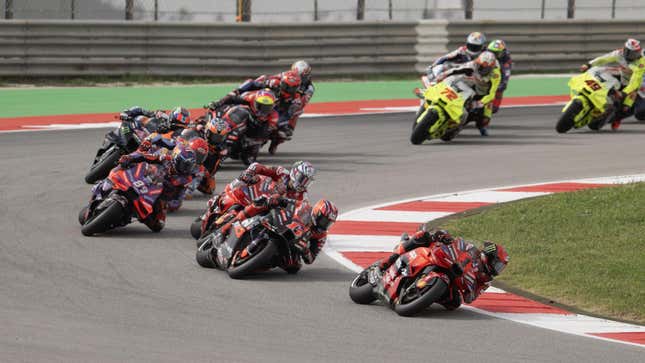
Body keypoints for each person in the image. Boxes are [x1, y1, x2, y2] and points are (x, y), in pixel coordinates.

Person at [376, 228, 509, 310]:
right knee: (424, 236)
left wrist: (466, 287)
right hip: (442, 259)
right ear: (489, 257)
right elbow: (458, 243)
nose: (497, 269)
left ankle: (422, 294)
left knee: (455, 303)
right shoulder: (473, 251)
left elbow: (470, 298)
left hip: (452, 281)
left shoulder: (485, 281)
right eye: (497, 265)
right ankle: (387, 263)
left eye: (500, 268)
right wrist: (444, 237)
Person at [116, 142, 198, 231]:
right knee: (123, 169)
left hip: (160, 195)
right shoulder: (165, 158)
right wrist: (129, 157)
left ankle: (135, 214)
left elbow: (176, 196)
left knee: (158, 225)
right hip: (145, 180)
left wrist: (167, 189)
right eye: (184, 165)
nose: (186, 169)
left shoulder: (185, 178)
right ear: (176, 158)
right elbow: (146, 156)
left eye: (189, 166)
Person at [580, 38, 645, 130]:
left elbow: (635, 82)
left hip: (638, 89)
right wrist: (589, 64)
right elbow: (604, 59)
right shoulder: (620, 53)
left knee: (635, 111)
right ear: (626, 51)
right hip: (626, 80)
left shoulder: (641, 63)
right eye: (633, 53)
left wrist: (624, 93)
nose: (635, 56)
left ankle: (616, 118)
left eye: (637, 53)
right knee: (607, 78)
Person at [435, 51, 501, 136]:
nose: (481, 68)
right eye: (480, 65)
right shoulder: (474, 63)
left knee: (485, 118)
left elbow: (492, 93)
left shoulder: (496, 75)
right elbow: (457, 69)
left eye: (485, 68)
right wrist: (443, 74)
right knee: (455, 83)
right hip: (470, 86)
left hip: (483, 94)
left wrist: (481, 102)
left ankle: (481, 127)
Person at [487, 39, 512, 113]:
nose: (494, 56)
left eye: (497, 53)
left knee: (502, 86)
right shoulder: (484, 54)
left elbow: (507, 72)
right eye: (492, 53)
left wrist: (503, 83)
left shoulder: (506, 59)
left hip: (498, 73)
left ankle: (495, 104)